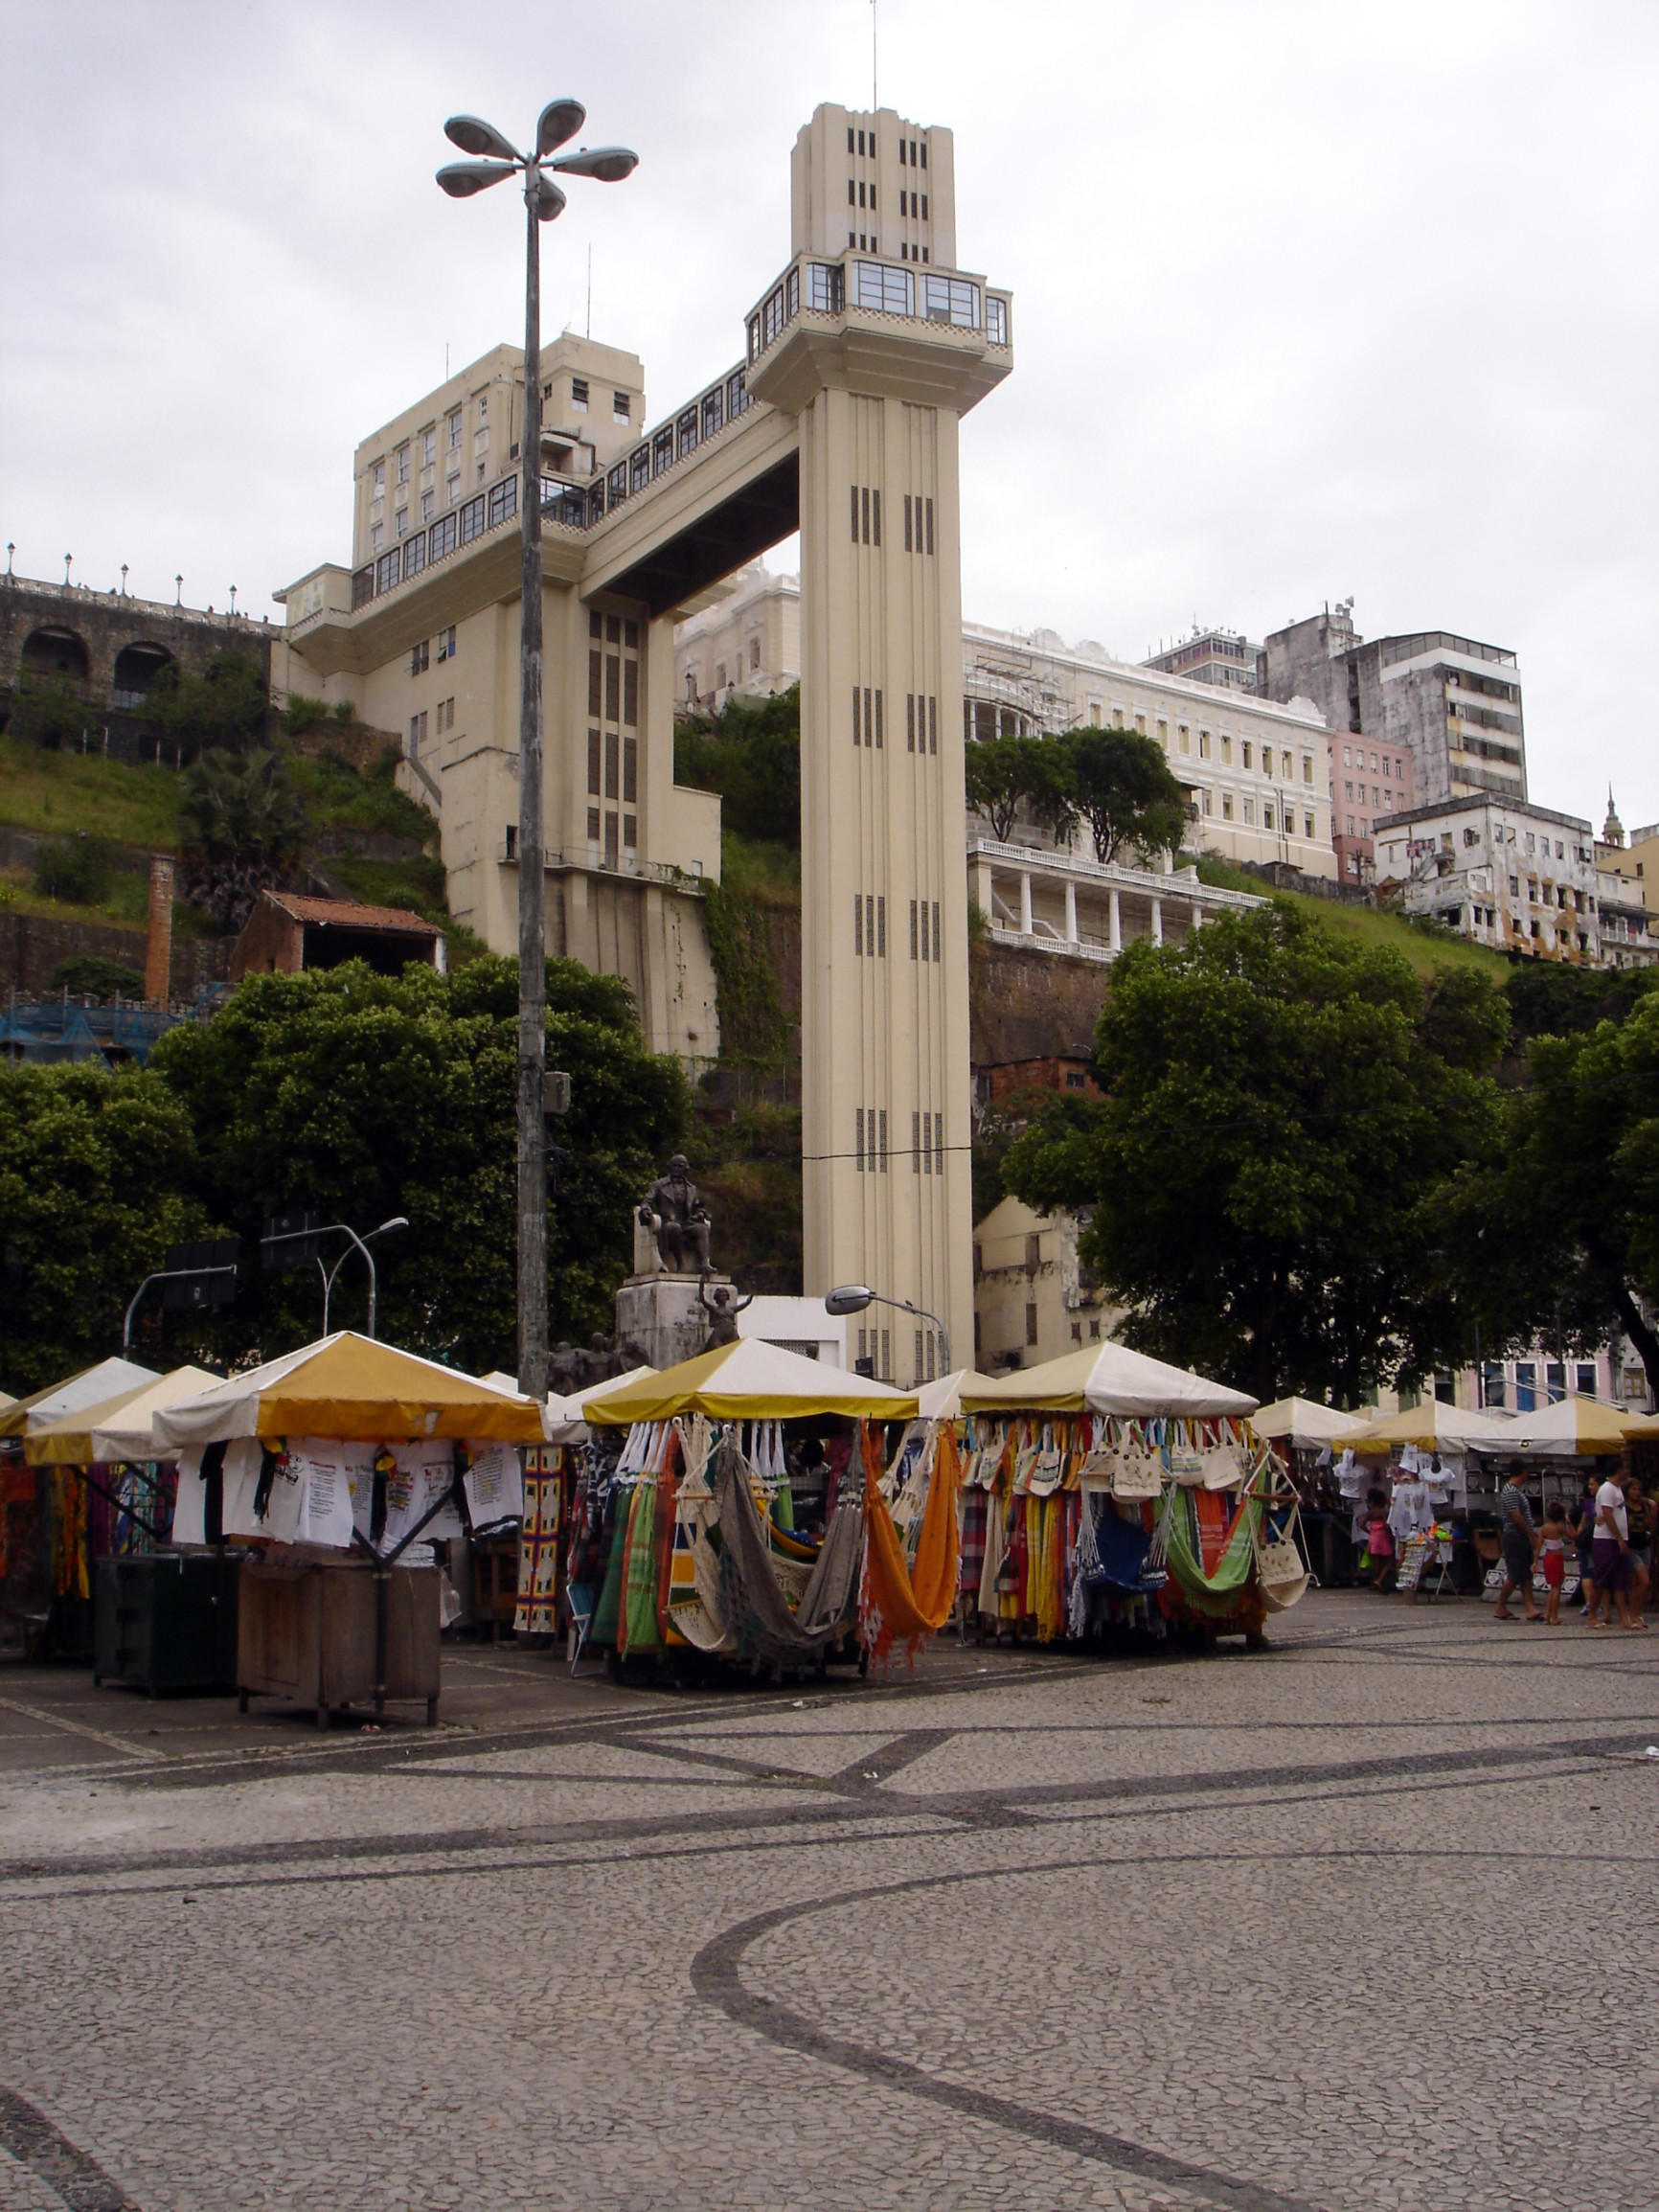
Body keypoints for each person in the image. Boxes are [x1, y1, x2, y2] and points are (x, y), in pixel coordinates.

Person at [1585, 1468, 1645, 1630]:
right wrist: (1619, 1538)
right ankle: (1592, 1615)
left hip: (1619, 1540)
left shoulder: (1618, 1489)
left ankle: (1624, 1619)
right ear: (1619, 1470)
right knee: (1602, 1577)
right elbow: (1607, 1513)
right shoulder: (1607, 1489)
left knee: (1620, 1580)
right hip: (1606, 1539)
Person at [1492, 1460, 1541, 1622]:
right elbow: (1516, 1516)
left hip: (1520, 1536)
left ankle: (1530, 1608)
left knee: (1525, 1574)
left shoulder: (1516, 1490)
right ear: (1523, 1472)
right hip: (1515, 1536)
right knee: (1515, 1573)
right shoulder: (1511, 1491)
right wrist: (1530, 1533)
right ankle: (1500, 1605)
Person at [1536, 1502, 1572, 1627]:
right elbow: (1574, 1536)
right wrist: (1569, 1522)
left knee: (1552, 1586)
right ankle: (1554, 1616)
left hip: (1548, 1557)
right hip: (1557, 1558)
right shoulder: (1559, 1528)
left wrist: (1535, 1562)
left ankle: (1548, 1615)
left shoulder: (1544, 1528)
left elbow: (1538, 1545)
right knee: (1557, 1587)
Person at [1623, 1475, 1652, 1621]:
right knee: (1644, 1580)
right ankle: (1634, 1612)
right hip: (1631, 1547)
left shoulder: (1643, 1507)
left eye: (1638, 1489)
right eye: (1633, 1489)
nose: (1636, 1492)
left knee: (1638, 1583)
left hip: (1644, 1546)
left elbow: (1650, 1526)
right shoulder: (1624, 1508)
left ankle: (1636, 1612)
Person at [1366, 1484, 1395, 1593]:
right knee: (1390, 1561)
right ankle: (1380, 1580)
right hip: (1382, 1537)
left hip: (1373, 1536)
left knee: (1376, 1560)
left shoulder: (1370, 1513)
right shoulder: (1383, 1512)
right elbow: (1386, 1525)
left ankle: (1377, 1581)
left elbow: (1361, 1524)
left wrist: (1370, 1531)